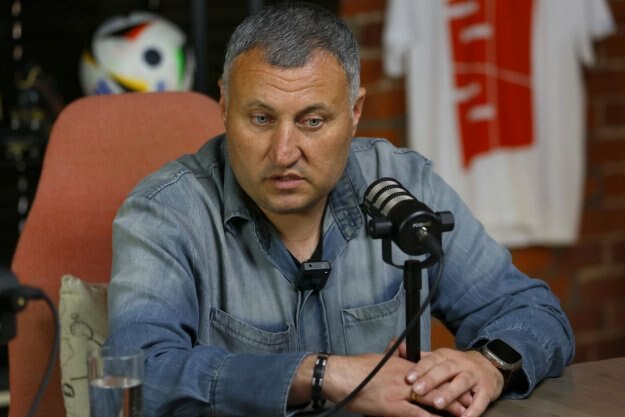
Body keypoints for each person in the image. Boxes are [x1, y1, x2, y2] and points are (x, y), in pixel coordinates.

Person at [106, 3, 574, 417]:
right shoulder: (165, 212)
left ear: (354, 112)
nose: (284, 152)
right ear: (225, 106)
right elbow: (130, 381)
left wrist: (488, 365)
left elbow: (534, 312)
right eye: (261, 118)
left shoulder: (406, 184)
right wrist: (320, 375)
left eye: (312, 121)